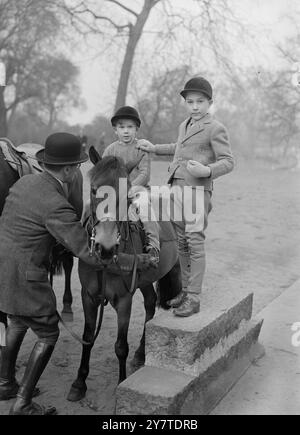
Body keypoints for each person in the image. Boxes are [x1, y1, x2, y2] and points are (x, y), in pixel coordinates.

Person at [0, 133, 154, 415]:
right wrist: (136, 260)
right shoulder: (55, 204)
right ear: (70, 169)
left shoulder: (22, 183)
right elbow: (91, 254)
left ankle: (5, 383)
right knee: (47, 333)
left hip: (3, 272)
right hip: (27, 276)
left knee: (18, 322)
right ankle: (22, 405)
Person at [138, 77, 234, 317]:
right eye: (190, 101)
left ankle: (194, 297)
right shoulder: (185, 124)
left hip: (197, 191)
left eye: (200, 101)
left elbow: (229, 161)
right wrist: (154, 148)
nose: (194, 106)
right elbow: (178, 148)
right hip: (176, 188)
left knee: (194, 242)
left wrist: (208, 171)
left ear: (210, 102)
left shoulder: (215, 127)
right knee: (180, 241)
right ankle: (185, 289)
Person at [102, 106, 160, 265]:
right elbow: (103, 173)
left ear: (137, 129)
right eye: (122, 127)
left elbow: (144, 174)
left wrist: (128, 189)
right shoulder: (110, 150)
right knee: (89, 206)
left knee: (144, 207)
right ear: (115, 130)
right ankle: (87, 239)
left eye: (130, 127)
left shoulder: (141, 148)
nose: (126, 131)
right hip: (114, 191)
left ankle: (153, 245)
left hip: (138, 190)